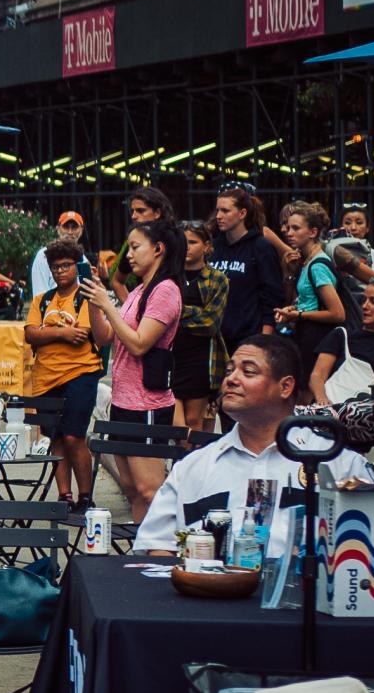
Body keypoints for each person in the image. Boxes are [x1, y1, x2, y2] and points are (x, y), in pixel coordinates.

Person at [136, 335, 371, 556]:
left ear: (285, 387)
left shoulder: (339, 462)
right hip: (210, 594)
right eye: (229, 370)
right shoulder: (192, 466)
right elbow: (156, 545)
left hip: (303, 596)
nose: (231, 379)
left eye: (248, 372)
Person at [82, 219, 185, 522]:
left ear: (158, 249)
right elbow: (105, 338)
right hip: (123, 401)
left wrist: (109, 306)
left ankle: (156, 555)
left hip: (147, 405)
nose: (128, 254)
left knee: (149, 489)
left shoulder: (166, 291)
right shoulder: (140, 289)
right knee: (131, 488)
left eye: (135, 246)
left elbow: (139, 344)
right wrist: (94, 302)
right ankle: (140, 554)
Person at [23, 239, 105, 512]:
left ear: (76, 266)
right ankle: (64, 495)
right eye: (55, 267)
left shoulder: (85, 297)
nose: (60, 271)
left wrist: (49, 335)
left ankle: (85, 496)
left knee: (74, 436)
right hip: (45, 376)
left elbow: (82, 335)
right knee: (55, 438)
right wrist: (62, 333)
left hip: (80, 372)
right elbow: (30, 333)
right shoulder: (42, 301)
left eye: (66, 266)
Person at [274, 201, 346, 398]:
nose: (289, 233)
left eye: (296, 228)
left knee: (305, 399)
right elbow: (309, 299)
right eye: (288, 227)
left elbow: (337, 313)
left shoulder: (318, 266)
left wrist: (299, 314)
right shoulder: (306, 262)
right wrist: (292, 309)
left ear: (313, 232)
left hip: (316, 339)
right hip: (307, 336)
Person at [209, 182, 286, 351]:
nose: (219, 216)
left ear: (242, 213)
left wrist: (265, 339)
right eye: (217, 210)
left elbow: (272, 296)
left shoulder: (261, 247)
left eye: (225, 211)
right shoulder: (213, 247)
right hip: (215, 338)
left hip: (249, 338)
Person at [174, 220, 231, 432]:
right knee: (175, 424)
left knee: (193, 422)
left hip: (201, 359)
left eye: (192, 242)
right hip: (171, 357)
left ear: (207, 246)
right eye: (183, 242)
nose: (186, 247)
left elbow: (210, 323)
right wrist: (192, 313)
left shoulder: (217, 279)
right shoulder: (169, 277)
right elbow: (159, 316)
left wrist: (177, 314)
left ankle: (192, 463)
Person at [313, 278, 374, 402]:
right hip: (332, 410)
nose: (364, 306)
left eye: (373, 301)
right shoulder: (341, 335)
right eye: (364, 300)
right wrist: (322, 399)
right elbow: (318, 375)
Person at [29, 211, 87, 299]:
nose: (70, 232)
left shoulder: (83, 258)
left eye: (74, 227)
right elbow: (39, 297)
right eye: (66, 227)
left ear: (81, 230)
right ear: (58, 229)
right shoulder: (44, 256)